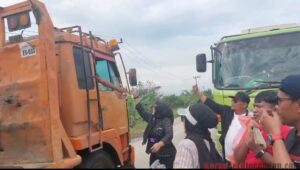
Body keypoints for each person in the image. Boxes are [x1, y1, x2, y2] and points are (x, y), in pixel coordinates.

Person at [193, 85, 250, 163]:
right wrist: (198, 93)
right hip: (227, 159)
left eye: (235, 101)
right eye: (232, 100)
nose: (232, 102)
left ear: (244, 105)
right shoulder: (226, 111)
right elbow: (211, 104)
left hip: (243, 160)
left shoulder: (251, 118)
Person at [233, 90, 290, 168]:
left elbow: (284, 166)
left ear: (274, 108)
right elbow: (238, 159)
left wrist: (259, 151)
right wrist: (248, 136)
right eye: (254, 106)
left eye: (259, 107)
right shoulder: (253, 126)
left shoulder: (286, 132)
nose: (254, 110)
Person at [260, 74, 300, 168]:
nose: (276, 107)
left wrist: (275, 136)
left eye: (279, 101)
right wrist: (259, 150)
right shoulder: (292, 134)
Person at [174, 103, 223, 168]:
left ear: (190, 122)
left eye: (184, 119)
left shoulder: (186, 146)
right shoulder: (207, 140)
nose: (183, 122)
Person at [134, 98, 176, 169]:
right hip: (154, 154)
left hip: (166, 155)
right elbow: (141, 111)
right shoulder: (152, 118)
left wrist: (160, 144)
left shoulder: (166, 120)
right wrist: (135, 97)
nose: (153, 108)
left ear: (159, 109)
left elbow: (169, 134)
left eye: (154, 107)